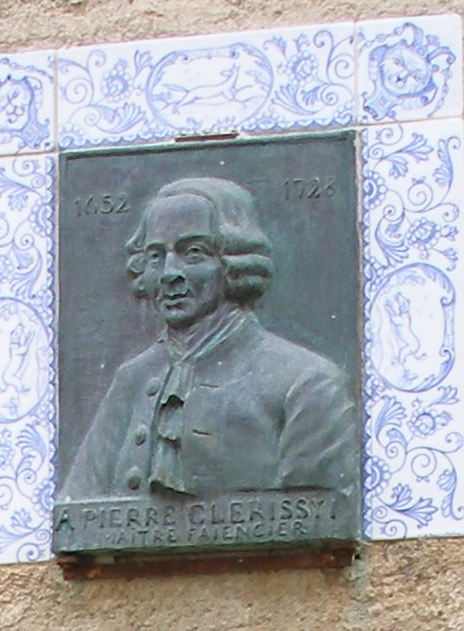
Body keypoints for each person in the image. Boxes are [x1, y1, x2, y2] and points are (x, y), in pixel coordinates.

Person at [61, 176, 357, 503]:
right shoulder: (131, 380)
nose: (169, 273)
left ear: (233, 263)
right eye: (156, 256)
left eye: (193, 253)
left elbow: (322, 515)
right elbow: (77, 513)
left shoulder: (307, 382)